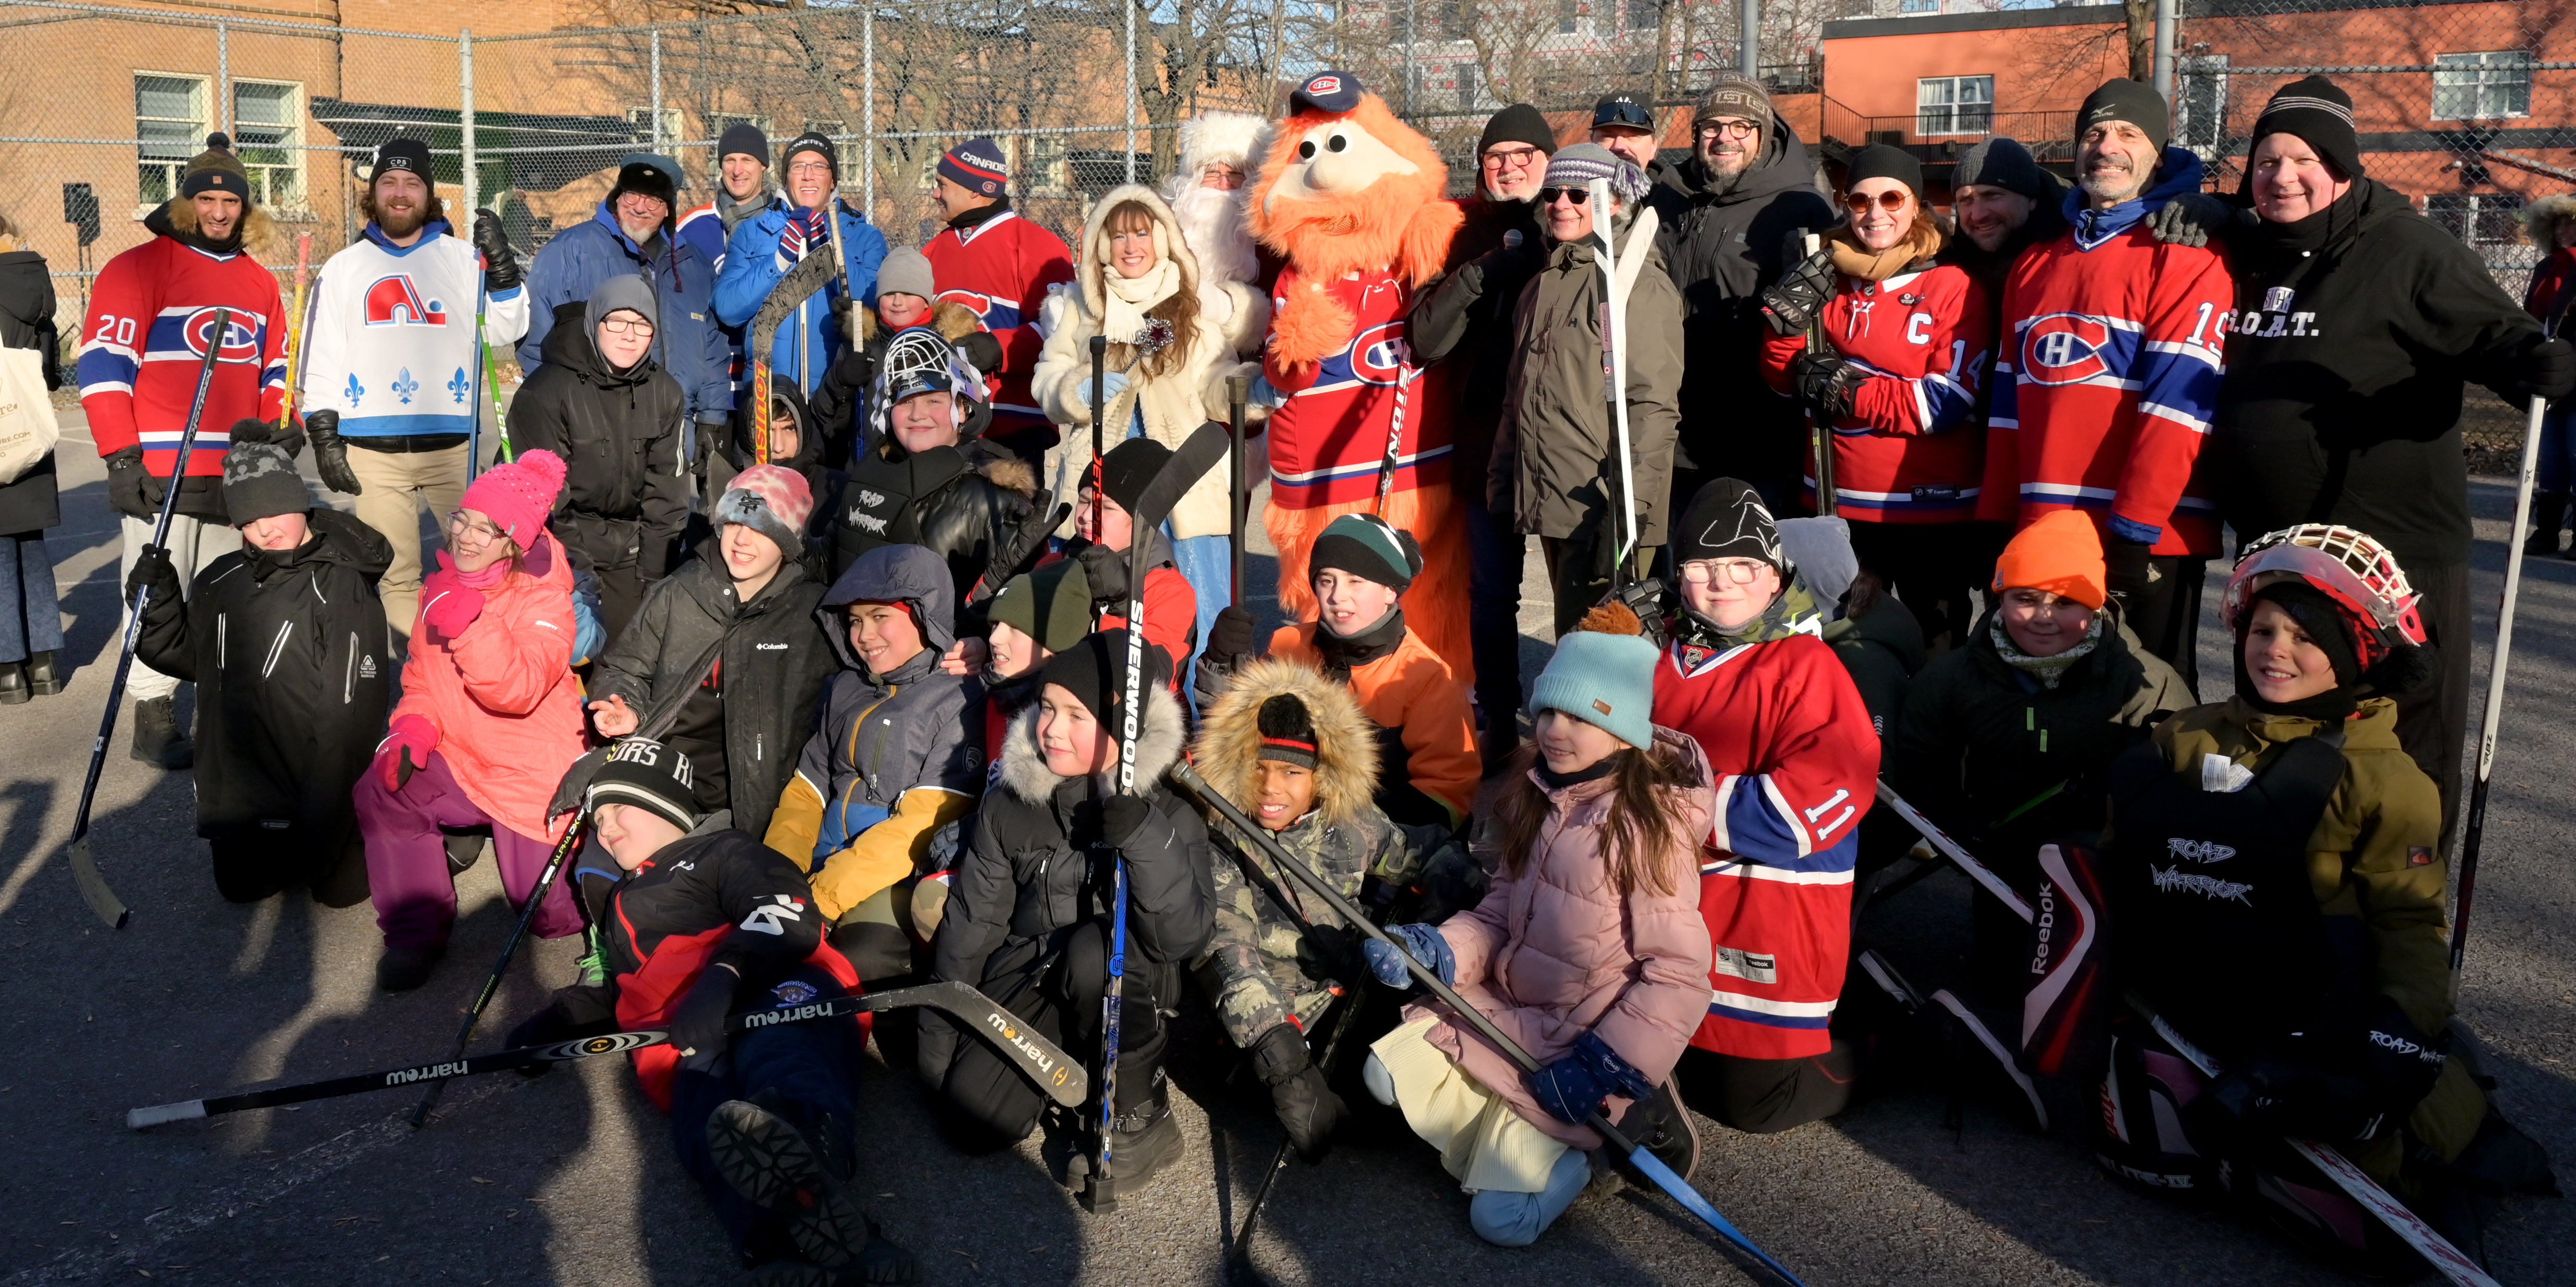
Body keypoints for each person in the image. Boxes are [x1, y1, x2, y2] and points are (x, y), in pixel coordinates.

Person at [2091, 524, 2553, 1269]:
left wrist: (2398, 1035)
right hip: (2184, 992)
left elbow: (2407, 922)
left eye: (2306, 637)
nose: (2276, 648)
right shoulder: (2183, 738)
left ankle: (2439, 1102)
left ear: (2351, 654)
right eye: (2263, 627)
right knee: (2150, 1146)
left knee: (2360, 1155)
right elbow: (2118, 859)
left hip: (2308, 1006)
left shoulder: (2383, 778)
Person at [2206, 76, 2576, 838]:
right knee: (2279, 740)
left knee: (2396, 755)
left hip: (2394, 556)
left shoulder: (2408, 248)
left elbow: (2494, 336)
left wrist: (2535, 364)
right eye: (2267, 160)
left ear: (2343, 167)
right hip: (2281, 556)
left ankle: (2398, 925)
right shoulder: (2242, 245)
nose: (2282, 177)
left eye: (2304, 159)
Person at [500, 739, 919, 1283]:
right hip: (686, 1037)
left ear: (663, 806)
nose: (606, 829)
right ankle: (803, 1246)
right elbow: (622, 992)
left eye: (618, 808)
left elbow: (783, 909)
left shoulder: (725, 851)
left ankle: (808, 1143)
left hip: (773, 984)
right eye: (598, 820)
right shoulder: (620, 905)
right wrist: (554, 1025)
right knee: (710, 1125)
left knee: (786, 1052)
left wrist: (725, 974)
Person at [1357, 628, 1713, 1248]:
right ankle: (1507, 1132)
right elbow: (1498, 912)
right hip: (1506, 1013)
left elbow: (1678, 973)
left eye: (1578, 716)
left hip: (1581, 1045)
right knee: (1379, 1074)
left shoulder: (1648, 827)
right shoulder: (1537, 792)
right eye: (1548, 709)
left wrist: (1608, 1066)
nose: (1553, 728)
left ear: (1623, 728)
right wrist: (1437, 950)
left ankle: (1602, 1144)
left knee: (1502, 1224)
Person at [918, 629, 1211, 1194]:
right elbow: (974, 926)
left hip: (1130, 980)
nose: (1050, 727)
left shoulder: (1170, 808)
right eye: (1048, 707)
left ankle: (1140, 1120)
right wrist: (941, 1036)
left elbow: (1184, 937)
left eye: (1076, 715)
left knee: (1092, 947)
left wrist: (1147, 836)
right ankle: (1067, 1074)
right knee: (970, 1122)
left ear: (1124, 729)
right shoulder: (1010, 803)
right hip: (1035, 970)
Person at [1632, 478, 1883, 1134]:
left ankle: (1905, 1037)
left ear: (1775, 578)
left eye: (1744, 565)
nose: (1722, 583)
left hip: (1765, 905)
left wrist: (1673, 807)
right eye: (1702, 567)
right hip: (1667, 904)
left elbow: (1825, 795)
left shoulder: (1805, 664)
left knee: (1752, 1105)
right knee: (1665, 1068)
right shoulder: (1653, 652)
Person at [1980, 79, 2232, 687]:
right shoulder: (2039, 263)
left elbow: (2179, 408)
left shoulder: (2187, 253)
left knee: (2149, 699)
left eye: (2128, 133)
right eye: (2094, 133)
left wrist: (2135, 530)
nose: (2107, 146)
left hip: (2148, 539)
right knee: (2045, 693)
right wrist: (1996, 514)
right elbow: (2009, 403)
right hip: (2045, 525)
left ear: (2158, 151)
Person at [1189, 655, 1487, 1162]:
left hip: (1353, 990)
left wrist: (1444, 901)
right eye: (1257, 768)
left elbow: (1425, 850)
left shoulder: (1345, 822)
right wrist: (1286, 1068)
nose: (1270, 788)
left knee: (1446, 1035)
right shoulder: (1225, 839)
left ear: (1321, 776)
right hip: (1283, 1032)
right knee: (1383, 1111)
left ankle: (1505, 1123)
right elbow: (1226, 951)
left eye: (1289, 771)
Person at [1237, 71, 1474, 688]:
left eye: (1338, 144)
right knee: (1331, 608)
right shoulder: (1298, 277)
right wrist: (1296, 343)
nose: (1320, 168)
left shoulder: (1417, 244)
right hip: (1321, 477)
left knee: (1426, 601)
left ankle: (1442, 714)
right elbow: (1281, 374)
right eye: (1307, 151)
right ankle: (1329, 724)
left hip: (1416, 471)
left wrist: (1435, 228)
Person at [1890, 510, 2187, 993]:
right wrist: (1954, 821)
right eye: (2025, 599)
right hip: (1996, 847)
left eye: (2066, 602)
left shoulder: (2148, 682)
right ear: (1999, 597)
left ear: (2097, 604)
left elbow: (2172, 785)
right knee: (2001, 984)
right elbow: (1920, 751)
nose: (2045, 617)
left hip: (2099, 857)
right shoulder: (1954, 676)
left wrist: (2107, 816)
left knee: (2089, 990)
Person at [77, 132, 290, 769]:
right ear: (185, 203)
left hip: (235, 468)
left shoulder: (259, 282)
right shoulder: (138, 267)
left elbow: (276, 367)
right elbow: (104, 365)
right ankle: (153, 711)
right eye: (208, 199)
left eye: (232, 201)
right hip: (161, 468)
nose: (220, 212)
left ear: (248, 210)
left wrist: (282, 424)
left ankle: (226, 706)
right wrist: (120, 455)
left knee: (227, 593)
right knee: (155, 588)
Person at [353, 450, 588, 992]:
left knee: (548, 920)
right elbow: (422, 679)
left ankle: (589, 847)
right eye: (463, 518)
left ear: (516, 542)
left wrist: (471, 624)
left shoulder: (547, 600)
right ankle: (415, 928)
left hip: (529, 771)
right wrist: (411, 728)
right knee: (384, 787)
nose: (466, 536)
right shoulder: (441, 584)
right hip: (462, 754)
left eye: (488, 529)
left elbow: (518, 690)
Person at [127, 437, 390, 903]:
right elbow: (186, 657)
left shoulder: (343, 583)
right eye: (249, 521)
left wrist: (322, 822)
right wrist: (160, 600)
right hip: (246, 788)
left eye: (275, 512)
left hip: (320, 780)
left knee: (338, 890)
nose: (265, 530)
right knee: (242, 890)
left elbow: (347, 721)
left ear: (301, 505)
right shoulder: (221, 578)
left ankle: (394, 832)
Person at [1758, 144, 1993, 650]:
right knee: (1841, 658)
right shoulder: (1826, 274)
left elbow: (1943, 403)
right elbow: (1783, 381)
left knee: (1934, 653)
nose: (1876, 213)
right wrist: (1785, 325)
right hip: (1834, 504)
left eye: (1892, 198)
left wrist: (1846, 388)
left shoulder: (1954, 284)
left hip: (1929, 513)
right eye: (1860, 201)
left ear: (1916, 205)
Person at [296, 138, 528, 639]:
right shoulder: (344, 268)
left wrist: (504, 270)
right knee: (395, 576)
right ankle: (420, 680)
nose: (400, 194)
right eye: (389, 183)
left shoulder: (464, 259)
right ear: (373, 193)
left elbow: (507, 331)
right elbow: (322, 358)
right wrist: (323, 433)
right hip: (372, 450)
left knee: (480, 566)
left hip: (452, 446)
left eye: (412, 184)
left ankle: (475, 677)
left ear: (429, 195)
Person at [1032, 184, 1266, 659]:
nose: (1131, 247)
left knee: (1196, 613)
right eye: (1118, 237)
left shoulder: (1189, 308)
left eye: (1142, 233)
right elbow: (1049, 377)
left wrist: (1251, 390)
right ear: (1102, 246)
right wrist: (1076, 389)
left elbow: (1215, 383)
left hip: (1182, 484)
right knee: (1089, 608)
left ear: (1162, 239)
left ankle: (1200, 715)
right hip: (1100, 479)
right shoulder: (1080, 307)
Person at [1408, 103, 1557, 768]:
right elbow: (1424, 339)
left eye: (1525, 155)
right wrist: (1476, 275)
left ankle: (1572, 720)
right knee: (1493, 591)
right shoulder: (1460, 233)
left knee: (1578, 590)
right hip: (1481, 442)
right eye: (1497, 157)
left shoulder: (1571, 219)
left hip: (1562, 447)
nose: (1510, 166)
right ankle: (1498, 711)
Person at [1482, 144, 1683, 637]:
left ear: (1614, 201)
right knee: (1571, 644)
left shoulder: (1637, 283)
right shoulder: (1544, 283)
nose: (1562, 204)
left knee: (1598, 663)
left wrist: (1626, 514)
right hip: (1551, 500)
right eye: (1552, 193)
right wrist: (1504, 480)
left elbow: (1653, 407)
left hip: (1604, 508)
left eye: (1578, 193)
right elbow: (1519, 396)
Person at [764, 544, 985, 986]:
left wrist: (820, 899)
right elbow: (806, 791)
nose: (864, 635)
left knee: (850, 958)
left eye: (881, 616)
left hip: (898, 873)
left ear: (926, 616)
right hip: (821, 867)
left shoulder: (959, 699)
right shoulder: (847, 688)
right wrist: (778, 879)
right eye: (854, 621)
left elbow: (919, 826)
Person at [586, 463, 836, 846]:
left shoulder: (809, 614)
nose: (741, 540)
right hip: (670, 771)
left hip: (758, 792)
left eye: (761, 529)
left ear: (787, 541)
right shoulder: (681, 590)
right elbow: (626, 666)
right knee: (613, 864)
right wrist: (627, 707)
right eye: (734, 523)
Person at [1200, 512, 1478, 832]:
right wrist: (1221, 663)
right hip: (1277, 823)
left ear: (1391, 591)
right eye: (1326, 580)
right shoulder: (1287, 646)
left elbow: (1446, 795)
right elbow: (1235, 740)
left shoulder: (1428, 678)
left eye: (1355, 581)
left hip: (1374, 848)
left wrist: (1329, 830)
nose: (1337, 596)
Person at [1645, 74, 1838, 519]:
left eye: (1740, 126)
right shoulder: (1668, 198)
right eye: (1711, 126)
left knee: (1746, 577)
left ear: (1763, 133)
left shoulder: (1800, 207)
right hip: (1671, 428)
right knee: (1680, 576)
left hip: (1757, 440)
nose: (1724, 138)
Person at [508, 275, 693, 648]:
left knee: (632, 655)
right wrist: (579, 579)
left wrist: (654, 579)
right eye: (618, 321)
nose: (629, 335)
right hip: (563, 546)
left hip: (631, 545)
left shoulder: (665, 393)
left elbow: (668, 497)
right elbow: (546, 504)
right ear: (596, 322)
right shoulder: (545, 392)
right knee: (576, 652)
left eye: (642, 325)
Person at [520, 153, 732, 455]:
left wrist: (711, 417)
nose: (640, 207)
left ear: (668, 208)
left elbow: (712, 345)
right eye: (633, 194)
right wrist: (555, 413)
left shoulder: (694, 263)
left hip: (675, 430)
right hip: (594, 431)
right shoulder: (570, 251)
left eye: (654, 200)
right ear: (618, 195)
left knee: (671, 504)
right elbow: (537, 341)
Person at [825, 325, 1042, 607]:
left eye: (934, 400)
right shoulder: (871, 473)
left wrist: (974, 641)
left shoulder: (994, 500)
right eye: (906, 401)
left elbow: (1019, 609)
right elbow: (828, 559)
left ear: (963, 409)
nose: (918, 415)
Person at [714, 131, 889, 420]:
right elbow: (727, 309)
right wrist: (779, 260)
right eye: (798, 167)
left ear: (832, 180)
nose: (808, 175)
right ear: (786, 178)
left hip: (838, 398)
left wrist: (833, 252)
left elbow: (875, 305)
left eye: (819, 166)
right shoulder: (751, 231)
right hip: (768, 400)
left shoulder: (865, 236)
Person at [920, 137, 1076, 461]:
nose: (935, 194)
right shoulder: (932, 251)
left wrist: (998, 348)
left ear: (975, 189)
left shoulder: (1038, 246)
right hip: (946, 421)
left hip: (1014, 422)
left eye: (942, 185)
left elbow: (1066, 332)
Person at [806, 247, 987, 471]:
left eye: (908, 293)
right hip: (871, 469)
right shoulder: (861, 344)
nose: (897, 302)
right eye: (889, 294)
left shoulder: (952, 344)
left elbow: (981, 416)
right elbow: (824, 417)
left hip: (937, 470)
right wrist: (840, 381)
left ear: (926, 301)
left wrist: (958, 410)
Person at [1046, 437, 1198, 678]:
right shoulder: (1056, 564)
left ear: (1141, 522)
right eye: (1083, 501)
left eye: (1105, 507)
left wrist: (1123, 609)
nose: (1086, 516)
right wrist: (999, 579)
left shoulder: (1168, 591)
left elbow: (1153, 678)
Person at [0, 209, 64, 704]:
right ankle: (43, 663)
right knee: (32, 550)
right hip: (30, 436)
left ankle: (8, 668)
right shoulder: (36, 286)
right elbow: (52, 372)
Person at [1163, 110, 1270, 300]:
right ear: (1193, 180)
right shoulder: (1165, 231)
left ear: (1252, 180)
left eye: (1235, 174)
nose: (1223, 185)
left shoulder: (1269, 243)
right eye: (1212, 173)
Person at [2521, 189, 2576, 555]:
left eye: (2570, 223)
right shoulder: (2549, 267)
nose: (2562, 231)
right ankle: (2547, 530)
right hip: (2555, 369)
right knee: (2554, 453)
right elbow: (2531, 316)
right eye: (2557, 224)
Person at [677, 120, 785, 275]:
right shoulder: (692, 226)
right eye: (730, 161)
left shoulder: (783, 221)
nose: (737, 171)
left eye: (747, 160)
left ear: (764, 166)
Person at [1586, 90, 1665, 176]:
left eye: (1633, 136)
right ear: (1592, 143)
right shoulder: (1573, 186)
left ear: (1653, 148)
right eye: (1607, 137)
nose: (1619, 147)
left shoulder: (1673, 187)